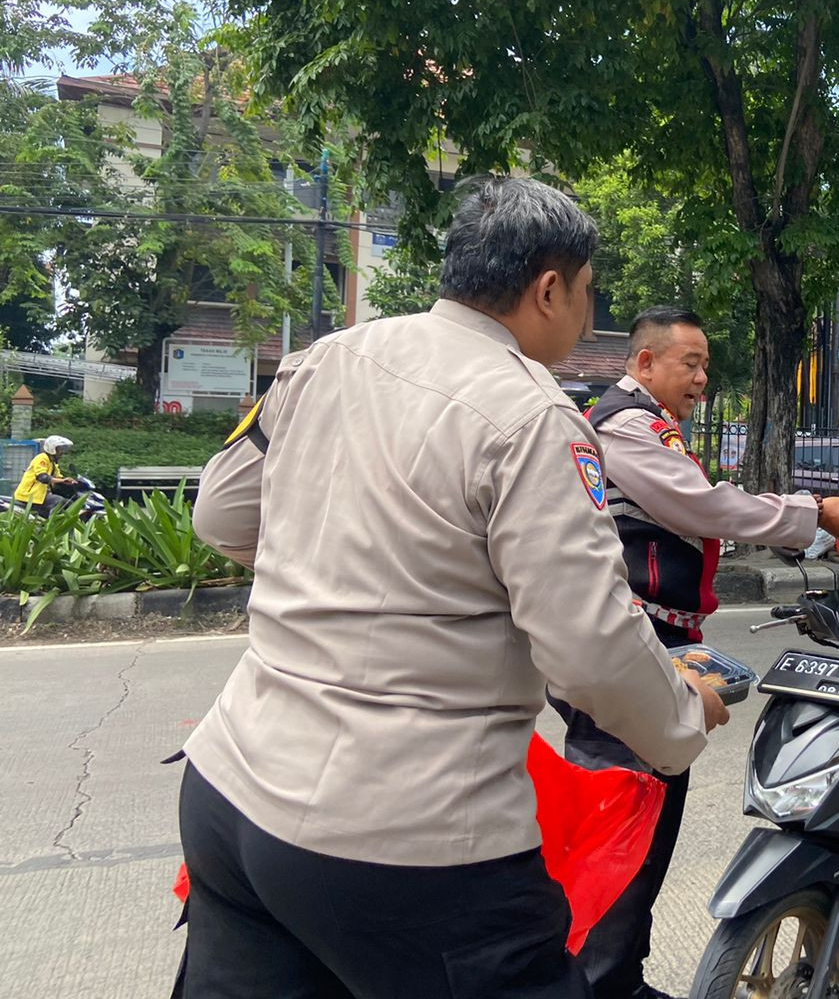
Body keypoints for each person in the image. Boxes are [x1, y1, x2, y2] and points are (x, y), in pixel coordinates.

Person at [177, 176, 728, 998]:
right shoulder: (534, 414)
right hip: (408, 839)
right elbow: (590, 646)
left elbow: (220, 515)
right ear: (549, 289)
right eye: (586, 292)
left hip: (229, 792)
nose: (587, 313)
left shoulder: (323, 358)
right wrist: (683, 712)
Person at [561, 304, 839, 999]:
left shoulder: (647, 424)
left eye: (705, 364)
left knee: (642, 819)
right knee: (626, 825)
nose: (702, 376)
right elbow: (703, 508)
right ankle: (600, 981)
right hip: (635, 646)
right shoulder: (629, 426)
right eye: (690, 362)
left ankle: (616, 977)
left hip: (653, 640)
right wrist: (810, 514)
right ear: (644, 362)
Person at [12, 435, 74, 515]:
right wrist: (62, 480)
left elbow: (58, 477)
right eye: (59, 449)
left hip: (40, 495)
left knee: (68, 502)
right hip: (30, 495)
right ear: (52, 449)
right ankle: (53, 525)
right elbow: (43, 477)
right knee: (58, 501)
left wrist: (72, 481)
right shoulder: (42, 458)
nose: (62, 452)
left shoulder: (52, 463)